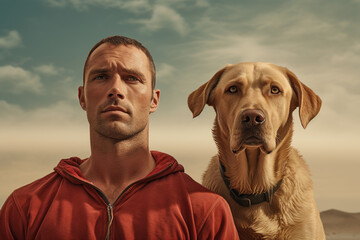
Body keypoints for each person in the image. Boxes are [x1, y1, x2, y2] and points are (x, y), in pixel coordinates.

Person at [0, 36, 239, 239]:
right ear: (82, 98)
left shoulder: (206, 210)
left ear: (154, 100)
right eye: (101, 76)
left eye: (132, 78)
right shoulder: (24, 207)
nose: (116, 89)